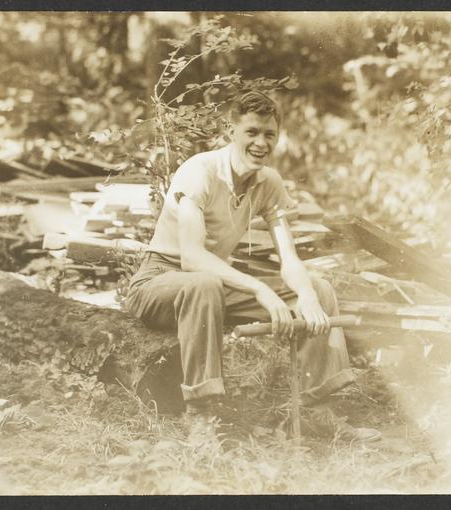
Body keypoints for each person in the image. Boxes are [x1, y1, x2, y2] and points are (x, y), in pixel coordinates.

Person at [124, 90, 380, 442]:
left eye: (269, 134)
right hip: (160, 281)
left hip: (215, 286)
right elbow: (192, 258)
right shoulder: (200, 171)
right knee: (204, 284)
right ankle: (201, 415)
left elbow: (289, 258)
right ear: (231, 132)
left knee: (318, 288)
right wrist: (260, 289)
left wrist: (305, 295)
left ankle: (316, 410)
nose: (261, 143)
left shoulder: (268, 182)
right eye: (252, 132)